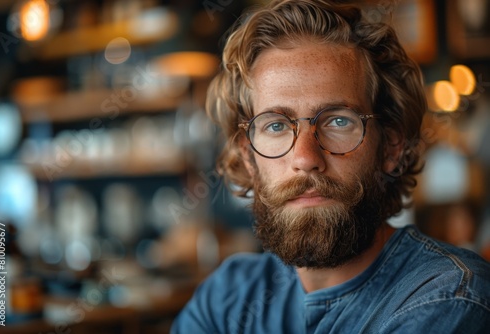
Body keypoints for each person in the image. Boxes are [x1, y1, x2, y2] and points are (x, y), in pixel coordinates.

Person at [172, 0, 490, 333]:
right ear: (248, 156)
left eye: (339, 121)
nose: (306, 158)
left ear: (391, 147)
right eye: (276, 126)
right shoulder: (226, 299)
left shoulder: (448, 299)